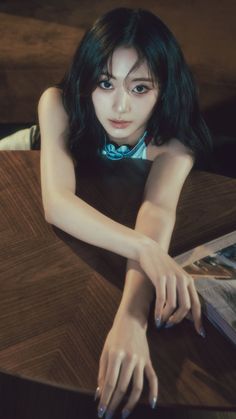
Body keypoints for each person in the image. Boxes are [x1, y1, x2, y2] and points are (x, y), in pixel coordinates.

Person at [0, 8, 213, 419]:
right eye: (105, 82)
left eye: (139, 88)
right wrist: (146, 250)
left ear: (164, 89)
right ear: (87, 81)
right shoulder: (58, 103)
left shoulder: (173, 143)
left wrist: (131, 321)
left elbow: (156, 210)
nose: (119, 106)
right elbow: (57, 202)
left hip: (102, 202)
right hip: (25, 160)